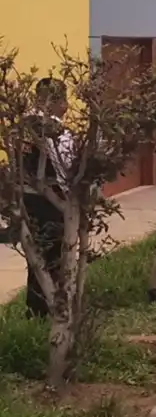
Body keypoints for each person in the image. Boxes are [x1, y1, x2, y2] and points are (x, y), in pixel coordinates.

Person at [22, 78, 72, 318]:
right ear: (50, 101)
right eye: (63, 100)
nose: (68, 106)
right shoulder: (56, 130)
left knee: (35, 257)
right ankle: (51, 311)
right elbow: (66, 169)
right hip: (51, 202)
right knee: (53, 258)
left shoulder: (20, 127)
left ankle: (34, 310)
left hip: (26, 201)